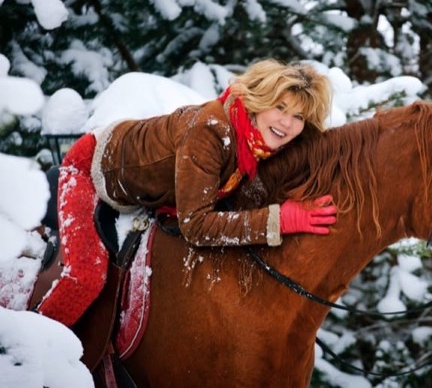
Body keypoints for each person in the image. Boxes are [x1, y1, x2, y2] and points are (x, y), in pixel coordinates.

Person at [36, 59, 337, 326]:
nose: (287, 122)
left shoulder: (259, 141)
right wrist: (279, 221)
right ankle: (29, 357)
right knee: (85, 278)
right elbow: (196, 226)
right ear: (257, 101)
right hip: (91, 168)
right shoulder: (209, 131)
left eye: (299, 116)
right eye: (280, 107)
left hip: (146, 189)